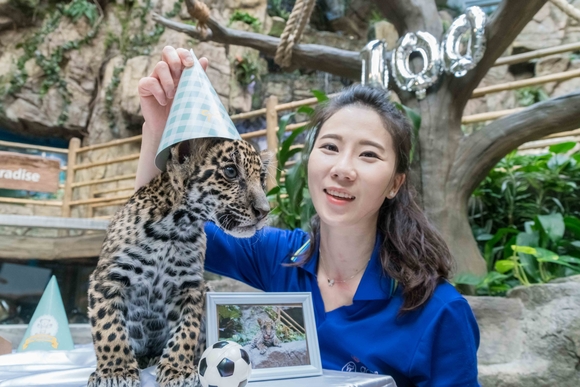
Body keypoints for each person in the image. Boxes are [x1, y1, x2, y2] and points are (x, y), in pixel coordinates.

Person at [136, 46, 480, 387]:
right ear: (309, 160)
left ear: (395, 183)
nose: (342, 169)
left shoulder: (440, 313)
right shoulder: (277, 257)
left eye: (369, 155)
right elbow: (159, 226)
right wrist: (159, 128)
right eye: (330, 147)